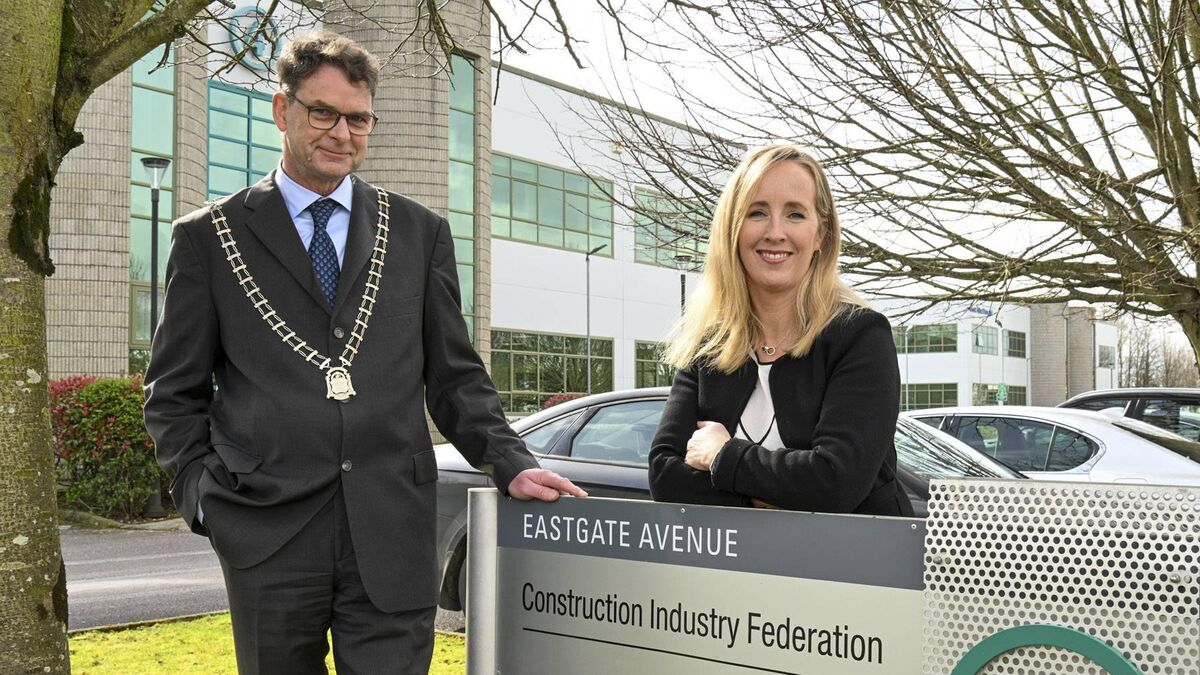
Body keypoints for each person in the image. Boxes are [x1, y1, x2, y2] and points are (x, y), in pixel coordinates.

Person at [143, 31, 584, 675]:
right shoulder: (209, 238)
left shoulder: (419, 233)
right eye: (322, 112)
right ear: (282, 110)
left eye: (357, 119)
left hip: (393, 527)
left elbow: (455, 377)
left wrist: (509, 463)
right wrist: (203, 498)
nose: (341, 133)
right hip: (265, 531)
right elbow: (172, 393)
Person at [648, 142, 912, 516]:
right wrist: (783, 491)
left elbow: (836, 483)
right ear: (732, 229)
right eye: (757, 212)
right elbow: (665, 477)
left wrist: (723, 457)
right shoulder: (709, 345)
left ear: (821, 234)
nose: (775, 232)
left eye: (795, 214)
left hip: (854, 554)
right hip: (741, 555)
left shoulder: (860, 337)